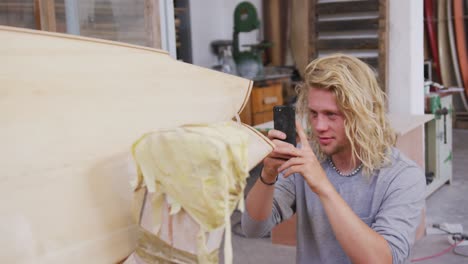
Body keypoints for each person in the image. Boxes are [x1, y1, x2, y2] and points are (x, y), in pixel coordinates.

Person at [241, 54, 426, 264]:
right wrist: (268, 175)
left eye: (331, 115)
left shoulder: (403, 176)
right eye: (313, 113)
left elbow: (382, 260)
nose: (319, 126)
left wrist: (324, 187)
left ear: (361, 114)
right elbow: (253, 229)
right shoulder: (305, 159)